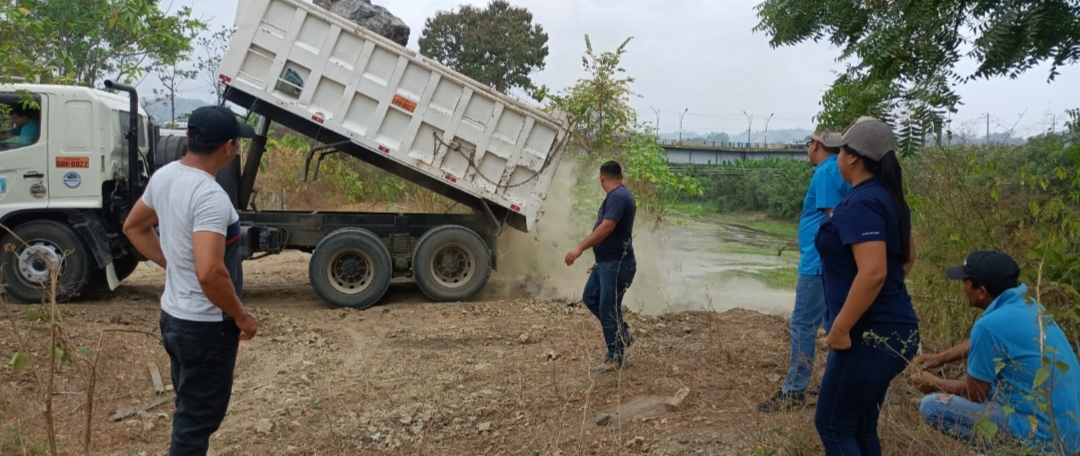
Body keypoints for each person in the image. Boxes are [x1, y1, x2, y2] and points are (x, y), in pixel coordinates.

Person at [123, 106, 258, 456]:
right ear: (228, 147)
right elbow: (209, 272)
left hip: (174, 319)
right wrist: (241, 316)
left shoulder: (165, 176)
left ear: (188, 136)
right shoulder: (211, 197)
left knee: (188, 411)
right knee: (195, 424)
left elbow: (134, 227)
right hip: (206, 328)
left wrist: (173, 263)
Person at [813, 117, 919, 455]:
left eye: (841, 150)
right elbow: (906, 258)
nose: (838, 157)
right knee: (859, 426)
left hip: (869, 334)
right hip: (891, 328)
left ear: (854, 158)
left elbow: (873, 273)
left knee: (832, 426)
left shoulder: (863, 203)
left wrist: (841, 328)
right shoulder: (889, 198)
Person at [910, 250, 1080, 454]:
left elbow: (976, 392)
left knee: (932, 407)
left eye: (965, 283)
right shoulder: (1031, 305)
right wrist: (940, 358)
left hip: (1041, 437)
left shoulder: (987, 326)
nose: (963, 288)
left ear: (981, 291)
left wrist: (935, 383)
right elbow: (985, 339)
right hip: (1069, 432)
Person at [759, 129, 851, 412]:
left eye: (810, 144)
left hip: (817, 263)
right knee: (832, 324)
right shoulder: (842, 171)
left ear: (816, 145)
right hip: (831, 264)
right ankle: (835, 386)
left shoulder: (825, 172)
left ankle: (794, 390)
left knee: (802, 324)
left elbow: (834, 217)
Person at [565, 161, 637, 373]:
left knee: (608, 309)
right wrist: (599, 260)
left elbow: (607, 227)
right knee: (590, 298)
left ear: (602, 178)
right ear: (620, 175)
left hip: (616, 264)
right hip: (606, 263)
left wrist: (580, 248)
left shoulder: (618, 196)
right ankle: (623, 334)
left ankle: (616, 357)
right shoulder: (618, 195)